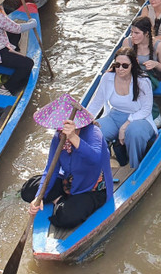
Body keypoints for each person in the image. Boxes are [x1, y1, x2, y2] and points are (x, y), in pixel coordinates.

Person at [22, 95, 113, 228]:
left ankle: (60, 201)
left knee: (65, 217)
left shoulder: (93, 132)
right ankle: (59, 199)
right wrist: (39, 196)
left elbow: (95, 159)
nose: (61, 132)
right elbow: (51, 169)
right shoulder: (58, 137)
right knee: (28, 191)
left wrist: (73, 137)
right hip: (68, 181)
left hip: (91, 188)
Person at [86, 48, 157, 169]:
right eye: (117, 65)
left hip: (139, 118)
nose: (120, 69)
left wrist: (125, 126)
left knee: (134, 133)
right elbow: (96, 103)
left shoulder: (142, 81)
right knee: (94, 132)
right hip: (115, 116)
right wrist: (83, 121)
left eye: (125, 66)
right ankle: (103, 166)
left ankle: (134, 167)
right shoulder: (107, 78)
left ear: (132, 64)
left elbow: (146, 109)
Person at [121, 16, 161, 81]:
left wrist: (156, 64)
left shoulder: (158, 45)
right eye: (131, 32)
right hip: (132, 75)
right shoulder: (127, 42)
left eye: (136, 33)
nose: (133, 36)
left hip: (150, 76)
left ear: (146, 33)